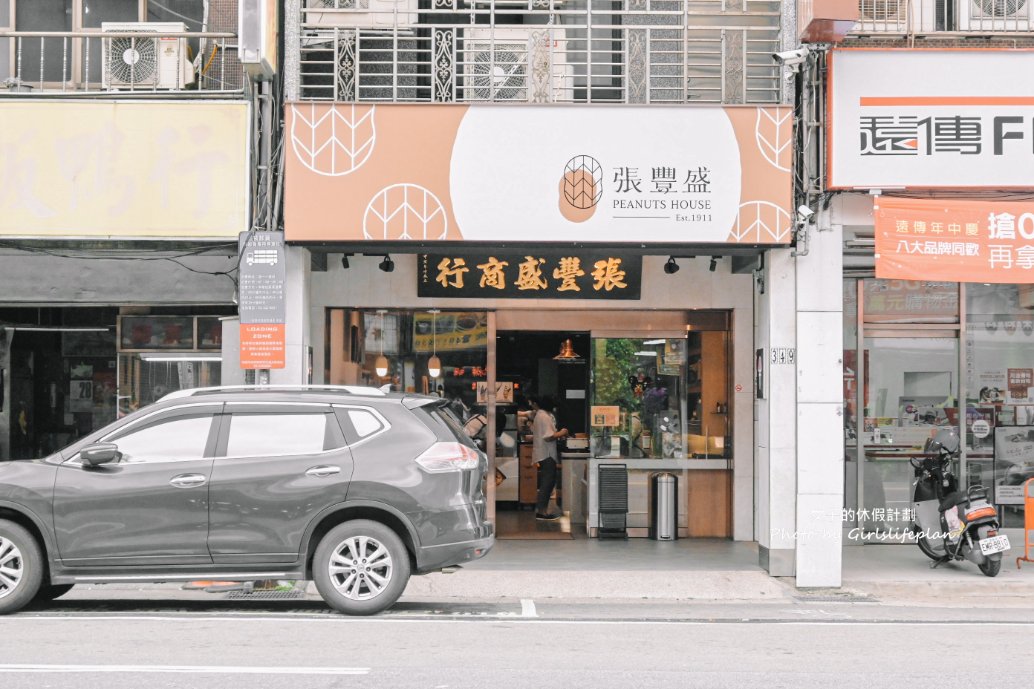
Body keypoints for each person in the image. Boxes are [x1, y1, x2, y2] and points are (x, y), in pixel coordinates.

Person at [529, 395, 568, 520]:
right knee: (548, 482)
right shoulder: (544, 417)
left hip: (544, 452)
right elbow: (549, 436)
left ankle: (543, 510)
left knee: (548, 481)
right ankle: (542, 512)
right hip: (547, 454)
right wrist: (563, 432)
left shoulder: (540, 415)